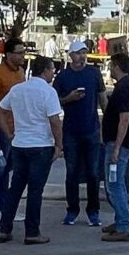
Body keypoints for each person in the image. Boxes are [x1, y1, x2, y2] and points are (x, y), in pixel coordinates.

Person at [0, 54, 63, 244]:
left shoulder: (18, 89)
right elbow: (54, 121)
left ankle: (5, 228)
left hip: (19, 144)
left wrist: (8, 133)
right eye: (52, 69)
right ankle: (32, 232)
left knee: (15, 187)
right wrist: (59, 144)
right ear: (45, 70)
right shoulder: (48, 92)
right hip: (41, 144)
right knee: (35, 190)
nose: (53, 73)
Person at [54, 45, 104, 227]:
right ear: (71, 55)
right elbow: (54, 100)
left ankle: (93, 211)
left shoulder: (93, 73)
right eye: (78, 53)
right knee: (72, 173)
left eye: (84, 53)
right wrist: (69, 99)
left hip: (91, 130)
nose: (82, 57)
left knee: (93, 173)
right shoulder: (62, 77)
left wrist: (106, 126)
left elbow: (102, 97)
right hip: (71, 131)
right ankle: (72, 210)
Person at [0, 41, 28, 227]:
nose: (23, 56)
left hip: (15, 130)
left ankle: (5, 207)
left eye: (24, 52)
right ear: (8, 54)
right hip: (1, 129)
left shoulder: (20, 72)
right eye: (19, 53)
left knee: (7, 169)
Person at [99, 51, 129, 242]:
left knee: (114, 184)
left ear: (116, 66)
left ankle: (123, 226)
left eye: (110, 66)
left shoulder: (123, 88)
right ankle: (119, 220)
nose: (109, 70)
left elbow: (124, 119)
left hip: (118, 144)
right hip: (125, 142)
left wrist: (117, 147)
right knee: (117, 184)